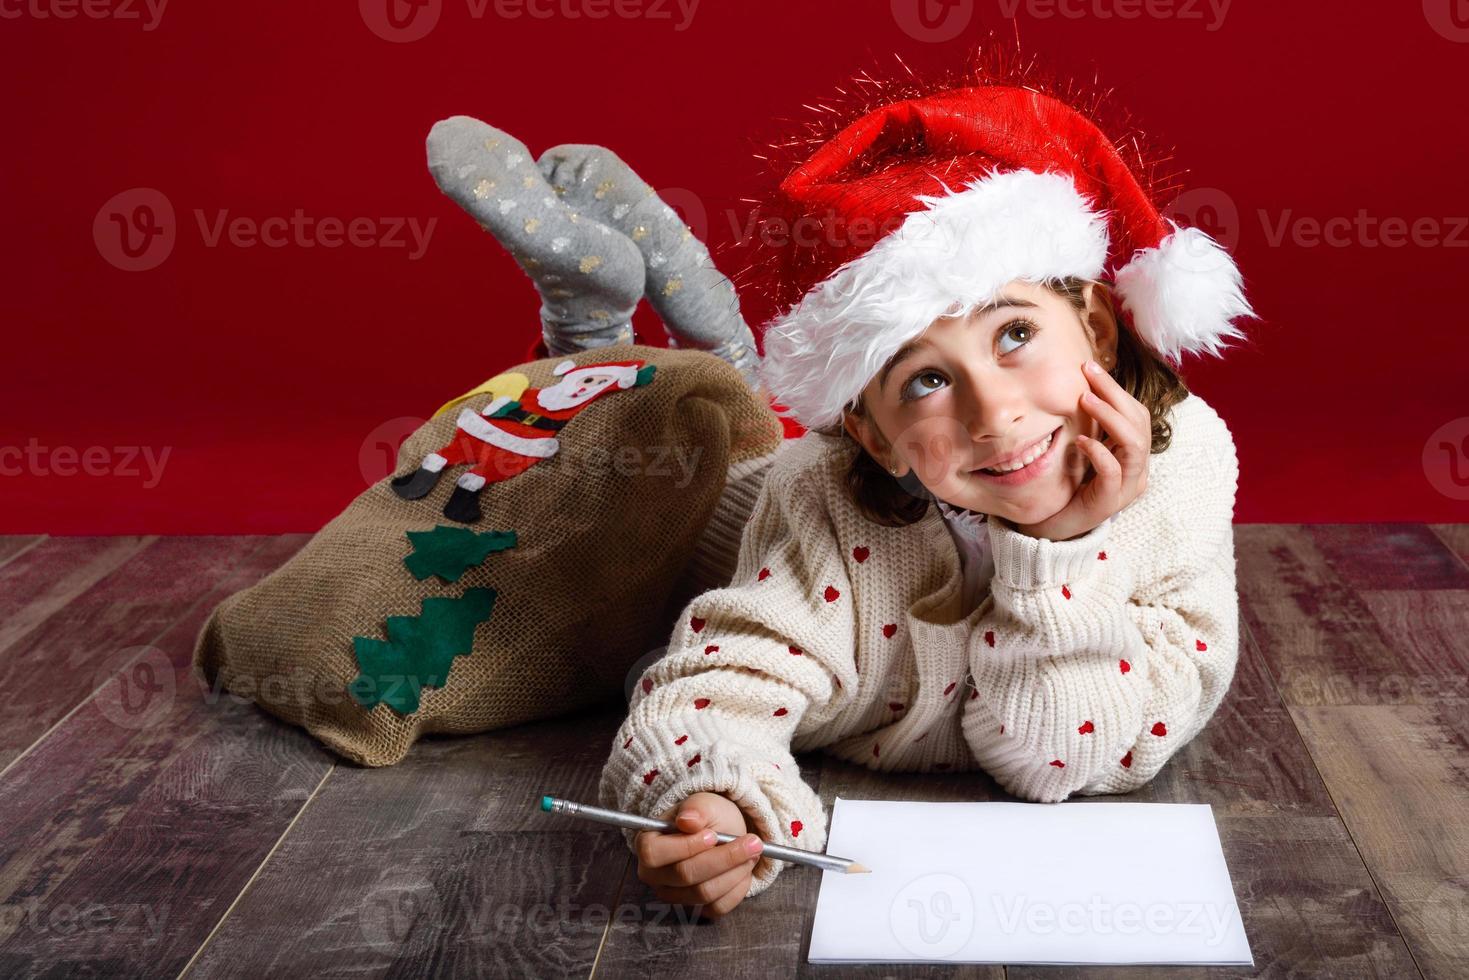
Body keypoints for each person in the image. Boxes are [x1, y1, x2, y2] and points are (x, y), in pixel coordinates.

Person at [599, 79, 1257, 920]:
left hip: (771, 460)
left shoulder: (1186, 463)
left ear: (1093, 328)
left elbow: (1063, 760)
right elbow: (716, 683)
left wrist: (1055, 549)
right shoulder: (822, 492)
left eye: (1014, 334)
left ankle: (683, 321)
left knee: (720, 379)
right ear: (871, 433)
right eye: (927, 380)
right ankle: (599, 331)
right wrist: (712, 799)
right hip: (692, 512)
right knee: (627, 452)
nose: (994, 417)